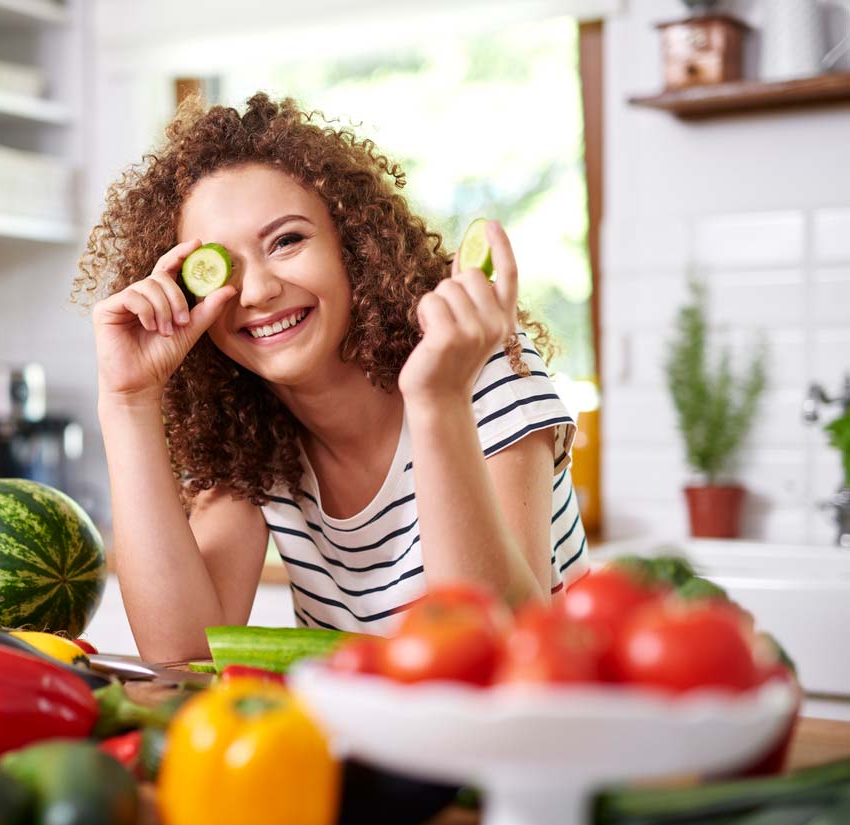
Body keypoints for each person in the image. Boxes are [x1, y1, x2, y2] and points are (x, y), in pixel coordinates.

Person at [73, 92, 588, 662]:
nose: (259, 291)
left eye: (287, 241)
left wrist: (437, 401)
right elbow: (182, 654)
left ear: (354, 246)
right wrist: (128, 401)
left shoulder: (480, 374)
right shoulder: (252, 441)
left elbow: (501, 648)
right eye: (222, 266)